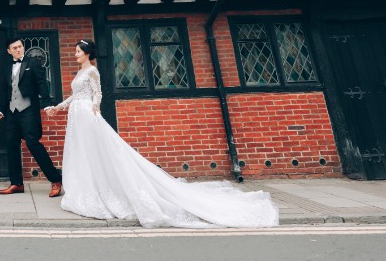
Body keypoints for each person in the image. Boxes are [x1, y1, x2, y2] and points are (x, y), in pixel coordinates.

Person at [44, 39, 279, 228]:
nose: (74, 54)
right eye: (75, 51)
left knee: (97, 152)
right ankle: (86, 188)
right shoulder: (79, 73)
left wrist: (95, 107)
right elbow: (76, 95)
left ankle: (101, 189)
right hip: (77, 114)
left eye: (77, 52)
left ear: (87, 53)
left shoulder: (92, 71)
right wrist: (58, 108)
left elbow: (98, 94)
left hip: (87, 115)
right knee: (83, 153)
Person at [0, 36, 63, 197]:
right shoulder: (6, 67)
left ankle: (55, 180)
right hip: (11, 112)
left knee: (32, 143)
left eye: (20, 46)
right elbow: (5, 92)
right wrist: (1, 111)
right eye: (15, 48)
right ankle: (16, 183)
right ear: (9, 51)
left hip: (28, 110)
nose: (18, 49)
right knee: (11, 145)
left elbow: (42, 84)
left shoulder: (33, 63)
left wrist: (46, 104)